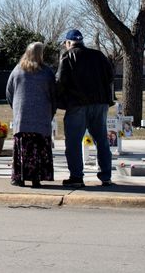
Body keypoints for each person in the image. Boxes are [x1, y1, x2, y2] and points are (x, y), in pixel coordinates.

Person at [56, 29, 115, 188]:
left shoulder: (68, 56)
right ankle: (106, 176)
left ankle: (76, 177)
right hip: (100, 104)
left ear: (68, 43)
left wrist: (59, 102)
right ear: (81, 41)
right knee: (101, 140)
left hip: (77, 105)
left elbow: (61, 82)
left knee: (74, 142)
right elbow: (110, 76)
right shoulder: (99, 56)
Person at [6, 41, 56, 189]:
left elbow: (9, 92)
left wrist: (16, 109)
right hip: (41, 118)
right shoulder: (46, 72)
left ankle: (19, 178)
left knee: (22, 148)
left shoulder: (17, 70)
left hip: (22, 118)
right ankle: (36, 179)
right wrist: (51, 112)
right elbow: (54, 95)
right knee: (38, 148)